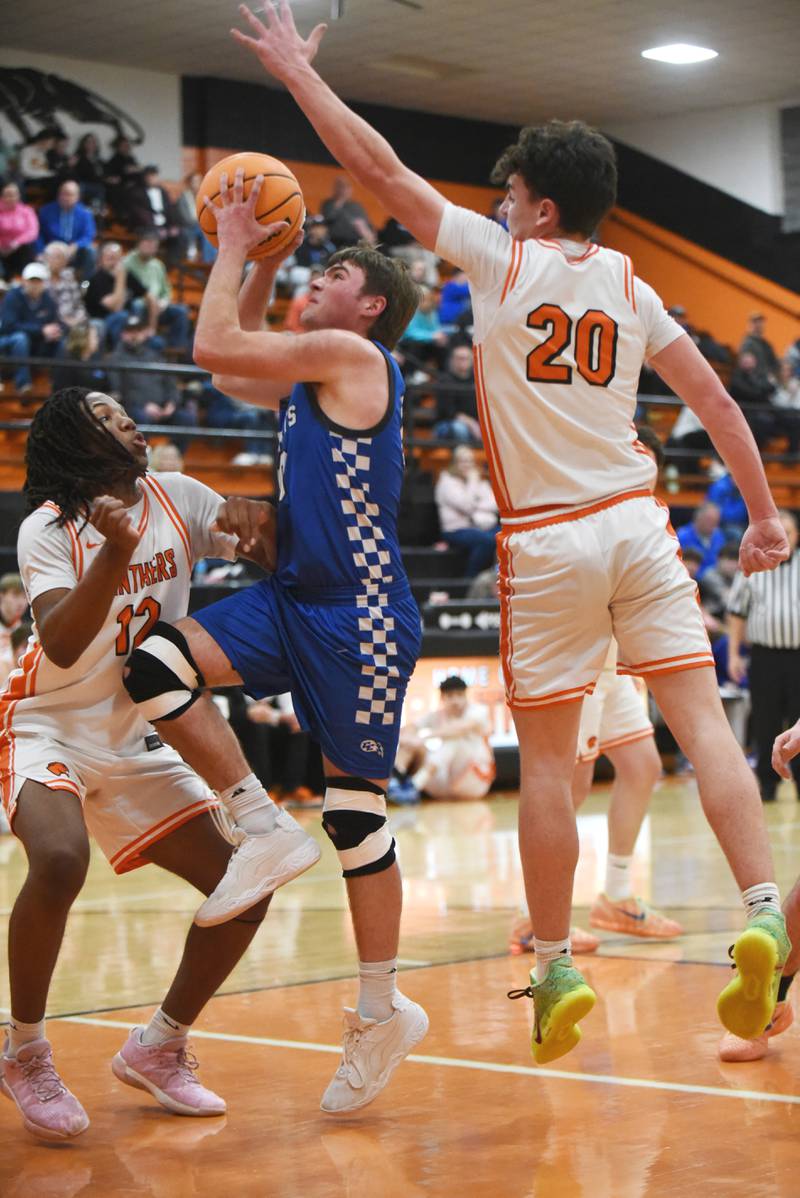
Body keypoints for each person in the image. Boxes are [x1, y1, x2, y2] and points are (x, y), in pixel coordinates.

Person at [233, 1, 791, 1064]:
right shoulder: (631, 283)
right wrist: (762, 513)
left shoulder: (500, 259)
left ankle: (554, 967)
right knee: (702, 728)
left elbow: (383, 170)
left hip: (546, 539)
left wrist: (302, 78)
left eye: (508, 194)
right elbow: (719, 406)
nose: (497, 204)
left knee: (546, 765)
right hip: (637, 521)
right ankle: (762, 904)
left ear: (535, 211)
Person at [117, 167, 428, 1115]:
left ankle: (382, 1009)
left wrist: (230, 249)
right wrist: (254, 267)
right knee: (156, 662)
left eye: (330, 269)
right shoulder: (312, 367)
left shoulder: (353, 357)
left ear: (368, 304)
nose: (318, 278)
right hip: (296, 592)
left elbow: (213, 338)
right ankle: (256, 820)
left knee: (355, 817)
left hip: (362, 614)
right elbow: (224, 363)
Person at [0, 385, 318, 1141]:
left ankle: (160, 1045)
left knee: (248, 885)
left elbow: (260, 541)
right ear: (79, 443)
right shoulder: (49, 529)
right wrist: (113, 551)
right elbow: (65, 642)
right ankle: (24, 1051)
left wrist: (255, 517)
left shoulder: (174, 495)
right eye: (107, 418)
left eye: (125, 411)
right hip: (44, 724)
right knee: (58, 857)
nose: (129, 421)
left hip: (135, 732)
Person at [726, 510, 800, 803]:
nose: (782, 538)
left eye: (789, 532)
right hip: (765, 657)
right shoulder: (753, 564)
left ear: (797, 536)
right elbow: (736, 612)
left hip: (799, 658)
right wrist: (733, 654)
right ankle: (767, 787)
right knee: (765, 721)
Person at [389, 675, 495, 803]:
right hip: (444, 784)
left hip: (474, 781)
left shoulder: (478, 711)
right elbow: (410, 727)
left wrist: (423, 737)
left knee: (454, 739)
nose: (455, 700)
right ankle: (394, 784)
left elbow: (457, 729)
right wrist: (408, 738)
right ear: (442, 698)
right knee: (411, 744)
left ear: (466, 695)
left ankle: (414, 786)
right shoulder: (438, 715)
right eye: (450, 696)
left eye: (459, 695)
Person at [434, 445, 499, 577]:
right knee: (487, 541)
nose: (467, 465)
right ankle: (469, 579)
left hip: (477, 527)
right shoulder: (447, 482)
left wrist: (476, 505)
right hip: (455, 530)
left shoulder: (475, 481)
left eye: (470, 461)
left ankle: (497, 577)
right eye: (463, 461)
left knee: (504, 535)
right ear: (455, 463)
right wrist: (473, 482)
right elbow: (467, 506)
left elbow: (494, 504)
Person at [0, 262, 64, 392]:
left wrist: (55, 331)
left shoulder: (48, 300)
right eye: (31, 281)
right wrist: (41, 330)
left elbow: (53, 323)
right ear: (24, 281)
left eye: (38, 281)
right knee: (20, 338)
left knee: (61, 341)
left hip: (36, 342)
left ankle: (58, 385)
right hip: (9, 341)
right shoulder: (13, 296)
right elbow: (8, 326)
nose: (35, 285)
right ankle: (23, 385)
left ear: (44, 283)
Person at [124, 230, 191, 353]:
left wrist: (164, 302)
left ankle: (175, 349)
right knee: (136, 305)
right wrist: (151, 302)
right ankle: (138, 344)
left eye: (154, 245)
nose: (151, 247)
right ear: (139, 244)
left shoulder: (158, 265)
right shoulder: (126, 262)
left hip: (158, 307)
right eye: (147, 243)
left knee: (181, 311)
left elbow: (167, 290)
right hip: (137, 305)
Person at [36, 180, 97, 279]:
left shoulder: (85, 213)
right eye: (63, 194)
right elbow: (39, 234)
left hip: (73, 250)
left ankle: (85, 284)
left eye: (70, 195)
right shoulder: (46, 210)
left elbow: (89, 235)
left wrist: (76, 245)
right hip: (51, 247)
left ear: (77, 197)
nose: (66, 198)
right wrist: (41, 251)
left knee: (90, 251)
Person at [320, 175, 375, 247]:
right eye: (341, 187)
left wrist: (370, 235)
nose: (344, 190)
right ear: (336, 189)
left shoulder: (356, 206)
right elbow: (329, 218)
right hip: (336, 242)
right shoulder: (328, 203)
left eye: (347, 187)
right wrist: (339, 201)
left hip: (356, 242)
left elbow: (366, 223)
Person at [0, 182, 39, 281]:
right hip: (1, 249)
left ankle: (24, 279)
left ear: (19, 196)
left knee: (27, 249)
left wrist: (16, 243)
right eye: (7, 195)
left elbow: (32, 231)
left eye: (13, 195)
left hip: (19, 248)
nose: (10, 198)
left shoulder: (27, 211)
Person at [676, 502, 725, 578]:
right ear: (698, 518)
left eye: (716, 521)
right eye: (709, 520)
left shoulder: (718, 536)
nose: (713, 524)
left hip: (714, 579)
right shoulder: (682, 536)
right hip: (690, 578)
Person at [0, 574, 29, 691]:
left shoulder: (30, 633)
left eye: (25, 597)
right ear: (1, 596)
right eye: (16, 595)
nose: (21, 602)